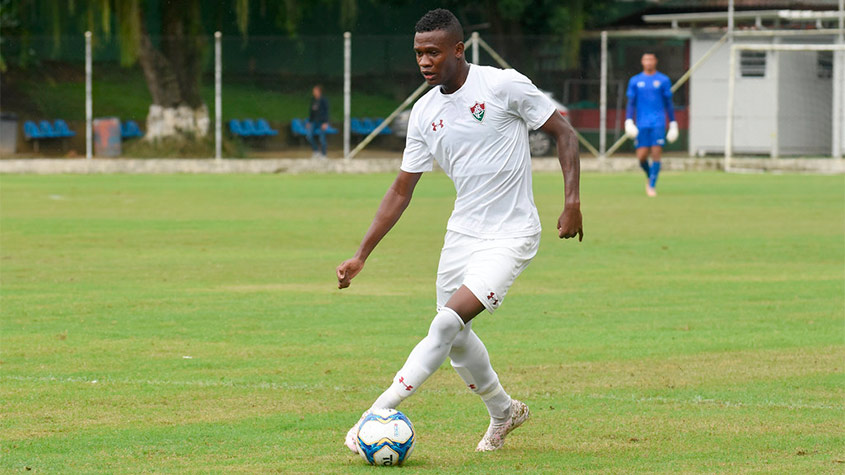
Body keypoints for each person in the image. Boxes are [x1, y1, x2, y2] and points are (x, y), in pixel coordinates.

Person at [336, 8, 583, 453]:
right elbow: (400, 190)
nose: (424, 61)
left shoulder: (502, 85)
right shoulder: (424, 111)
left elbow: (564, 133)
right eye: (418, 54)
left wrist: (572, 201)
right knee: (453, 339)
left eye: (432, 52)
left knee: (447, 322)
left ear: (457, 50)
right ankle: (505, 412)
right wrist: (362, 254)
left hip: (511, 235)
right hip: (461, 236)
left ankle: (375, 412)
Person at [624, 52, 678, 197]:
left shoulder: (663, 80)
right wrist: (628, 120)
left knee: (656, 154)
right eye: (645, 59)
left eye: (651, 59)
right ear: (642, 62)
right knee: (641, 157)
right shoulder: (635, 81)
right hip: (641, 123)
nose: (648, 62)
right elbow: (631, 103)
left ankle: (652, 186)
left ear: (655, 61)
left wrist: (673, 123)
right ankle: (650, 176)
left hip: (658, 122)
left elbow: (669, 104)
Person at [306, 85, 329, 159]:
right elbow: (311, 112)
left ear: (319, 91)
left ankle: (324, 154)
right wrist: (309, 122)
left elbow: (326, 112)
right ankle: (316, 151)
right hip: (314, 122)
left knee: (322, 138)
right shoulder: (313, 100)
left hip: (322, 122)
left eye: (315, 91)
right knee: (309, 136)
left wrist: (325, 122)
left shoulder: (324, 100)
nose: (314, 92)